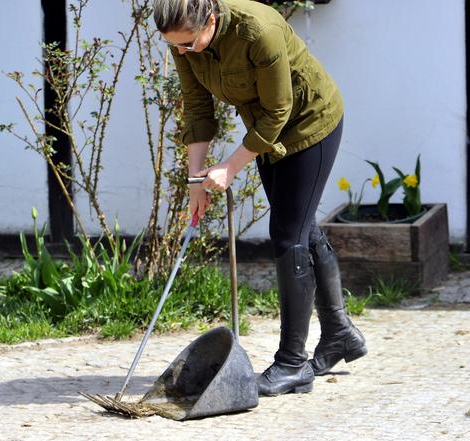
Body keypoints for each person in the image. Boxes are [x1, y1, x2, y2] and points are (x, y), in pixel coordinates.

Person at [152, 0, 367, 396]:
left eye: (187, 44)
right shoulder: (182, 38)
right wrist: (196, 179)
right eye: (175, 46)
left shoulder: (258, 30)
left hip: (309, 123)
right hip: (265, 132)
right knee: (301, 227)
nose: (181, 52)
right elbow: (197, 107)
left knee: (289, 236)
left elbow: (279, 109)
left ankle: (292, 364)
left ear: (211, 20)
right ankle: (339, 334)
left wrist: (230, 167)